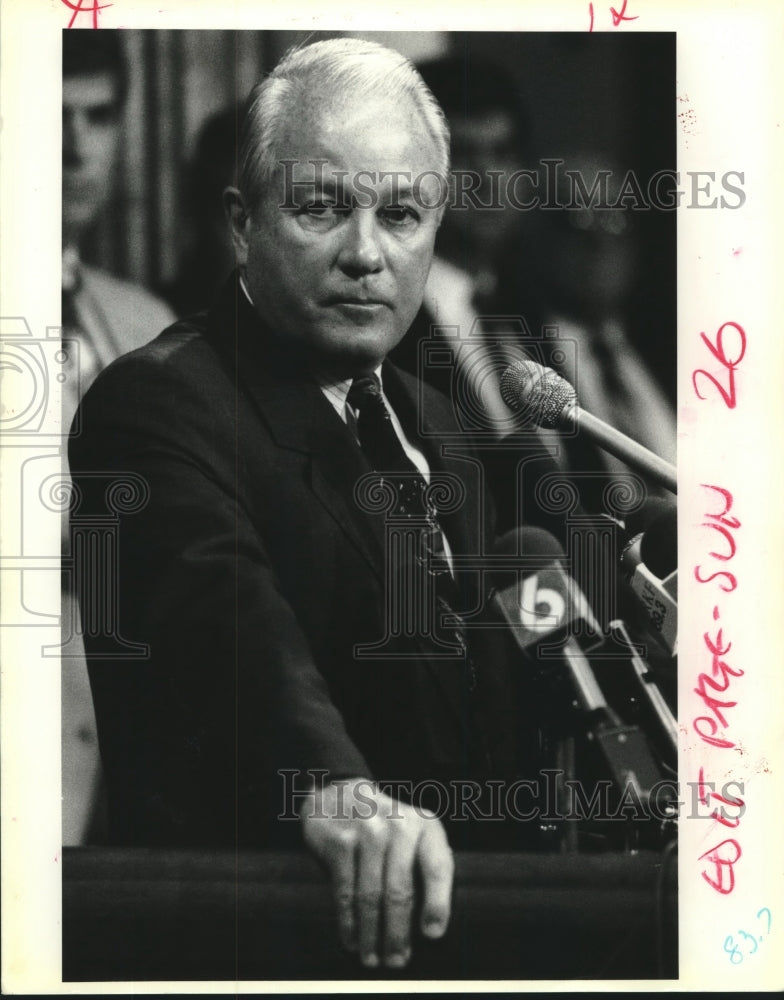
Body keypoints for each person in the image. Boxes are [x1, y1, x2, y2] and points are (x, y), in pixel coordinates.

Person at [70, 39, 568, 971]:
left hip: (472, 926)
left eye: (402, 214)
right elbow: (225, 622)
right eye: (321, 208)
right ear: (240, 222)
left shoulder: (439, 427)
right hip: (270, 937)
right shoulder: (160, 400)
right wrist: (334, 788)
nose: (367, 254)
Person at [61, 30, 176, 846]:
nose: (74, 150)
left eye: (98, 117)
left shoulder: (145, 322)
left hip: (134, 732)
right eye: (49, 117)